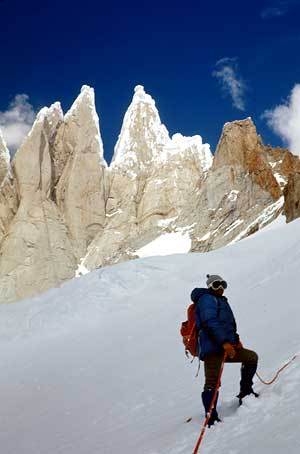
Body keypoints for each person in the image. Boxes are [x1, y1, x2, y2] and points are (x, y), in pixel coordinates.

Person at [191, 274, 258, 427]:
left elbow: (228, 326)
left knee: (251, 357)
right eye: (216, 284)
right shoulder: (207, 299)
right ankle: (211, 418)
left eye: (223, 284)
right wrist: (225, 343)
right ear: (209, 286)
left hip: (226, 346)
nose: (220, 287)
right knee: (212, 383)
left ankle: (246, 393)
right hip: (212, 349)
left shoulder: (221, 300)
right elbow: (210, 322)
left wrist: (234, 341)